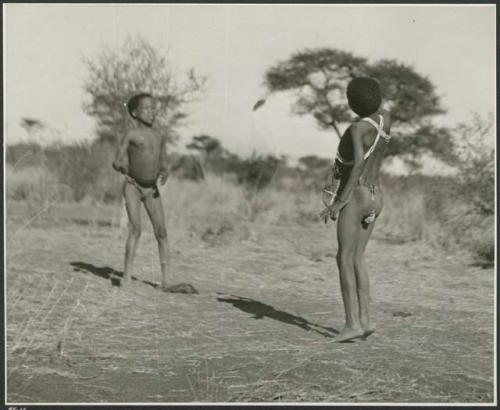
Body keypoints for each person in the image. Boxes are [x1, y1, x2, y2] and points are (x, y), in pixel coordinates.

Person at [320, 77, 392, 342]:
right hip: (376, 196)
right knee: (358, 258)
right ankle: (367, 320)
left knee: (344, 259)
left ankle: (352, 324)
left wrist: (339, 201)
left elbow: (358, 165)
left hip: (358, 195)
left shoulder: (356, 129)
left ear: (351, 103)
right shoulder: (385, 118)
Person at [112, 93, 173, 291]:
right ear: (135, 113)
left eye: (153, 108)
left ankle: (166, 280)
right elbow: (117, 160)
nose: (151, 112)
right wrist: (122, 167)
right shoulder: (131, 135)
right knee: (135, 229)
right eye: (146, 108)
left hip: (152, 189)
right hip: (132, 186)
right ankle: (127, 277)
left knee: (162, 232)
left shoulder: (160, 135)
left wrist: (165, 171)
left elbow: (163, 160)